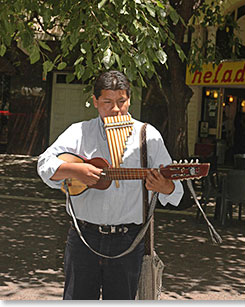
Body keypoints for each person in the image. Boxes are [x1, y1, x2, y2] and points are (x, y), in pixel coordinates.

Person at [37, 70, 184, 300]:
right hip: (83, 237)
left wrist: (165, 186)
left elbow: (176, 189)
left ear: (129, 99)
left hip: (128, 240)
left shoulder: (148, 136)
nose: (115, 109)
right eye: (107, 102)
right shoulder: (79, 132)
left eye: (121, 101)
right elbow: (44, 164)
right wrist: (77, 170)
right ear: (95, 101)